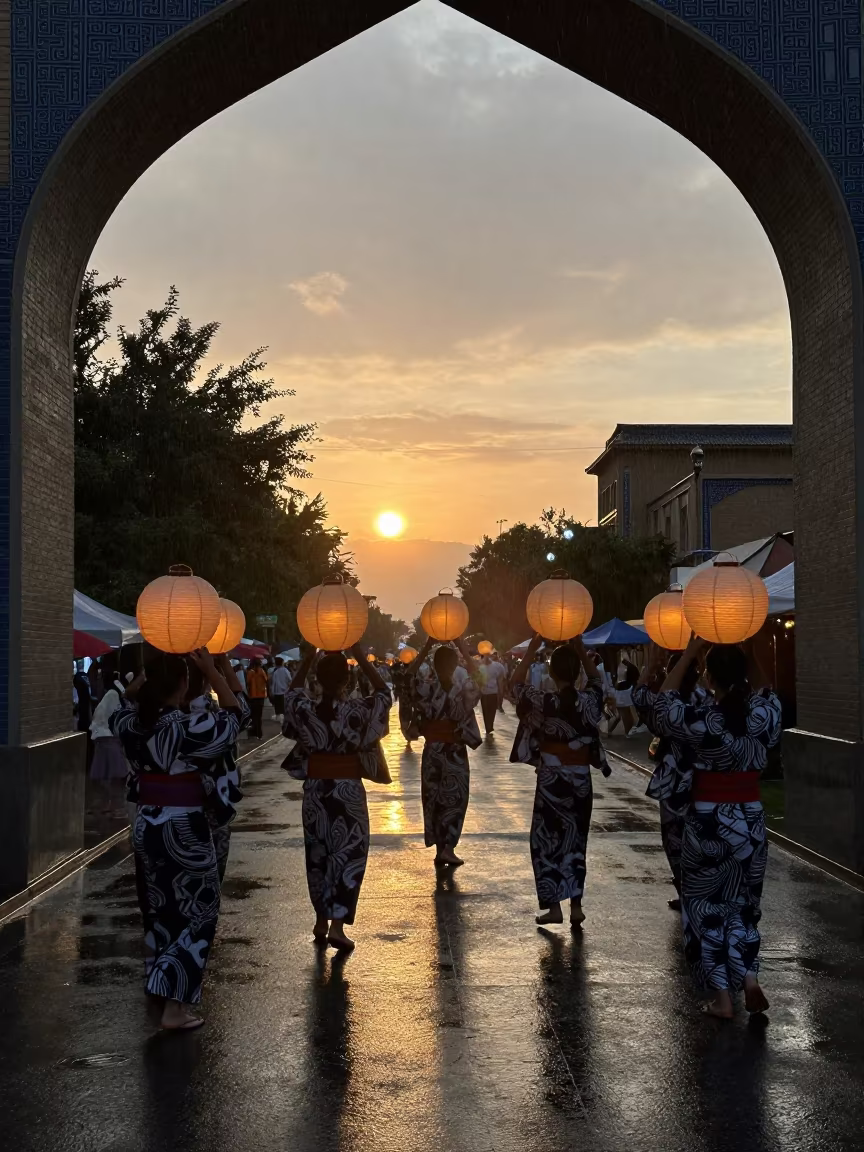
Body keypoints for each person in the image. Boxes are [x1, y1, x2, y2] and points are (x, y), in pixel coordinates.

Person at [633, 637, 781, 1018]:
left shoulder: (701, 719)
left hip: (707, 820)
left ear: (709, 678)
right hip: (750, 820)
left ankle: (722, 999)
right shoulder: (763, 714)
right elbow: (767, 690)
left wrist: (687, 655)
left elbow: (662, 706)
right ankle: (748, 978)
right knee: (744, 906)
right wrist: (750, 653)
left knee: (705, 907)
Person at [111, 648, 249, 1031]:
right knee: (197, 911)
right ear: (184, 684)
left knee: (159, 908)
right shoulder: (189, 726)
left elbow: (122, 704)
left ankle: (158, 982)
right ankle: (175, 1005)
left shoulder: (130, 724)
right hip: (184, 827)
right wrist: (215, 670)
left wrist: (143, 677)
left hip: (147, 823)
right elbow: (238, 715)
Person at [282, 643, 392, 951]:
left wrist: (310, 657)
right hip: (348, 791)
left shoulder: (306, 709)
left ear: (317, 678)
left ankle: (320, 920)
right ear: (348, 680)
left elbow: (291, 696)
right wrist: (358, 653)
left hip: (317, 790)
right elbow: (384, 695)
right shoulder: (356, 711)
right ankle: (337, 927)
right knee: (349, 854)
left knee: (318, 854)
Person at [509, 634, 610, 928]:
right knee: (576, 841)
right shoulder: (589, 701)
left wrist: (530, 649)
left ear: (551, 673)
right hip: (580, 780)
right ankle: (576, 905)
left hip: (552, 779)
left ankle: (554, 906)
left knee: (545, 842)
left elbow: (514, 685)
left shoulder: (544, 700)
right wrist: (580, 649)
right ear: (577, 671)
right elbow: (598, 683)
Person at [633, 645, 704, 911]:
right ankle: (696, 889)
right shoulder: (705, 699)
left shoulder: (664, 704)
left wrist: (650, 665)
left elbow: (639, 696)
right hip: (700, 778)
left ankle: (684, 889)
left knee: (673, 837)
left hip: (673, 779)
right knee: (698, 836)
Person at [407, 636, 481, 867]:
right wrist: (463, 649)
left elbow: (407, 677)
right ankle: (446, 848)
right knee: (455, 799)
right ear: (453, 665)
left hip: (433, 751)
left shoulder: (426, 689)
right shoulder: (463, 691)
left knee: (434, 798)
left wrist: (426, 646)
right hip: (455, 752)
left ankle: (442, 848)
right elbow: (480, 677)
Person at [185, 653, 247, 884]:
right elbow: (240, 713)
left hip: (156, 815)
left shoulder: (149, 719)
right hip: (210, 809)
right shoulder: (210, 720)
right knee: (209, 883)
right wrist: (219, 668)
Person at [89, 654, 129, 782]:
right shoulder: (114, 693)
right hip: (107, 740)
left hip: (109, 740)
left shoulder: (116, 692)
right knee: (111, 785)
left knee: (110, 785)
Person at [479, 652, 506, 735]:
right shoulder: (479, 667)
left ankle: (489, 727)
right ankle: (488, 727)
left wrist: (501, 694)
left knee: (490, 712)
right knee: (487, 712)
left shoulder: (498, 666)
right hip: (485, 693)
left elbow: (500, 682)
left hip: (492, 693)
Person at [245, 658, 268, 739]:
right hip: (261, 696)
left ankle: (254, 733)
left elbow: (247, 683)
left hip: (253, 696)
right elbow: (266, 681)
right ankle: (259, 734)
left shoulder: (250, 673)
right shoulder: (262, 671)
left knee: (253, 716)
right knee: (259, 716)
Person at [269, 656, 290, 721]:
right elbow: (290, 680)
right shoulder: (286, 671)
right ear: (282, 663)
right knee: (284, 707)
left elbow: (273, 683)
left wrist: (272, 692)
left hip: (277, 692)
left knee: (278, 707)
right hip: (285, 692)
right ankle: (284, 719)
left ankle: (278, 718)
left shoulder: (275, 672)